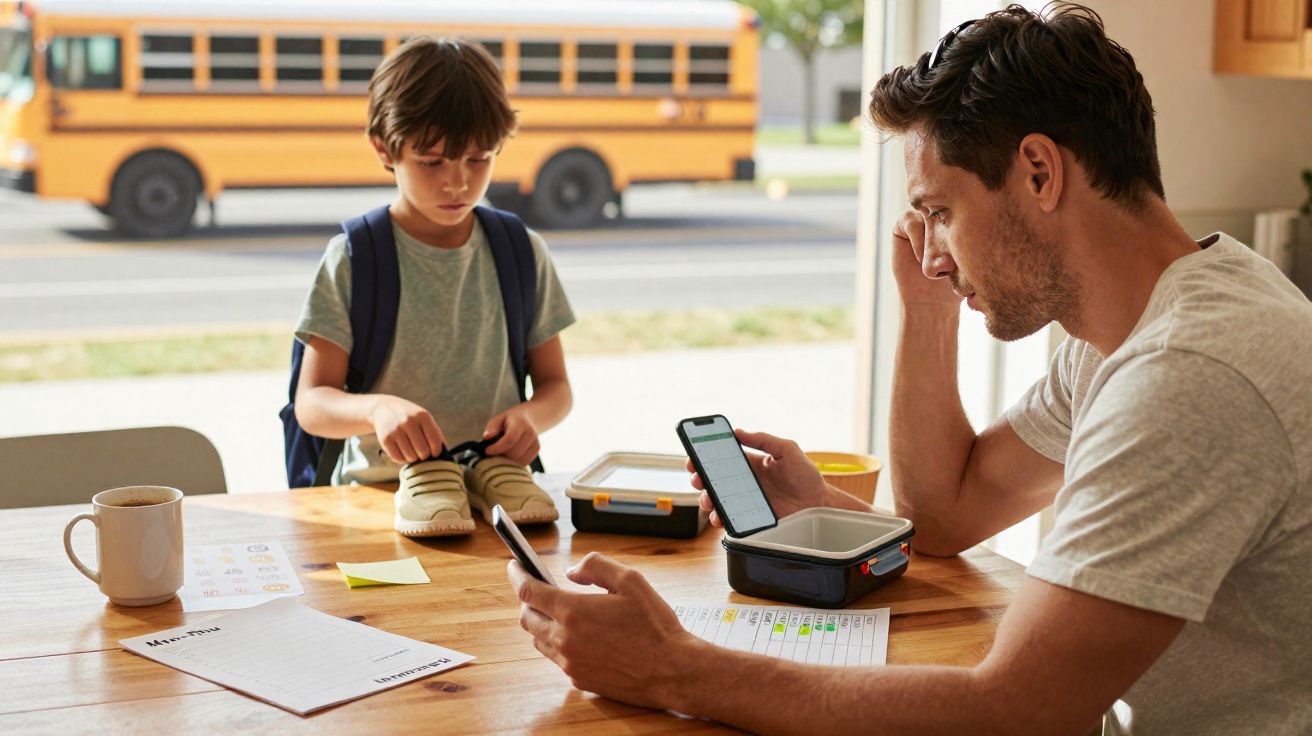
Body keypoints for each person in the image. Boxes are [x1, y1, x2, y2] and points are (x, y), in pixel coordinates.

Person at [507, 4, 1312, 733]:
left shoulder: (1189, 373)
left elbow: (1016, 712)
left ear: (1039, 172)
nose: (927, 255)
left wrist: (671, 666)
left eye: (939, 213)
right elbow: (947, 512)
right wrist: (924, 315)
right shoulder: (1130, 332)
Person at [295, 37, 575, 537]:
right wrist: (377, 408)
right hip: (378, 499)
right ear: (384, 149)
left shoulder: (521, 250)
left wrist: (531, 417)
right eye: (432, 161)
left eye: (478, 159)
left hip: (502, 498)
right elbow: (312, 403)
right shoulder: (355, 258)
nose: (457, 183)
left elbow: (556, 387)